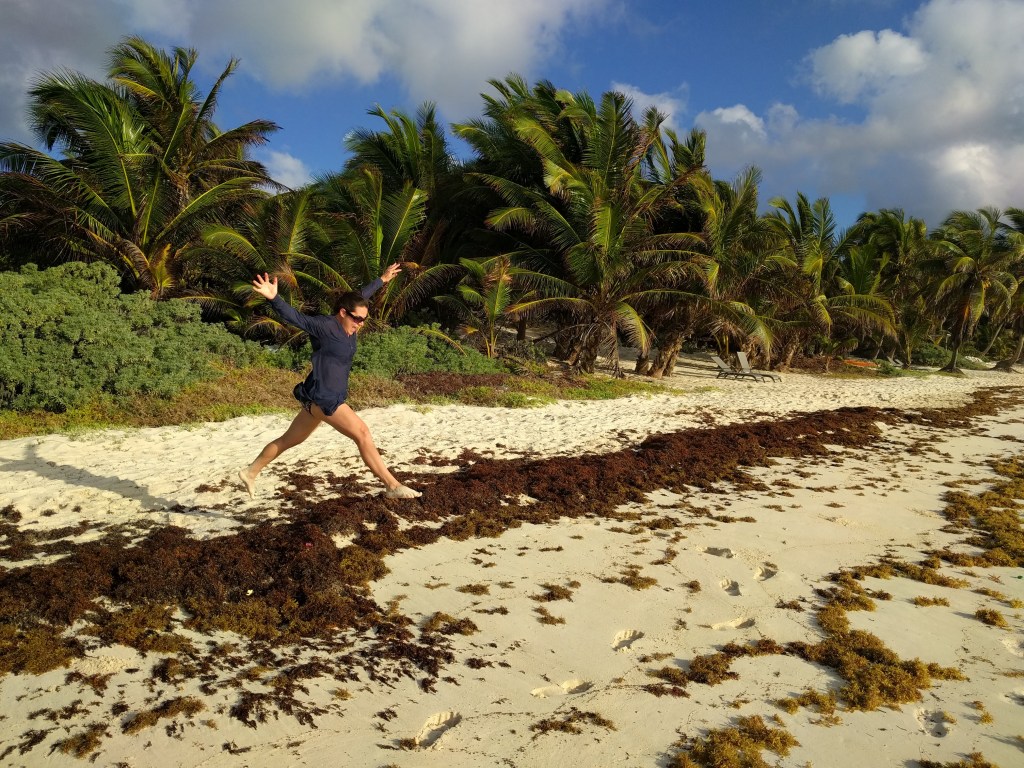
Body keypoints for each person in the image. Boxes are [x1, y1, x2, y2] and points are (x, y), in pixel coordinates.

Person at [238, 264, 422, 500]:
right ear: (343, 312)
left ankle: (250, 472)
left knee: (287, 440)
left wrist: (382, 280)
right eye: (357, 319)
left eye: (364, 320)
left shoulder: (352, 322)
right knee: (363, 434)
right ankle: (392, 485)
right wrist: (275, 298)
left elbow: (361, 297)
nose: (361, 324)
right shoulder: (324, 326)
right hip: (326, 399)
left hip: (314, 399)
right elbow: (295, 317)